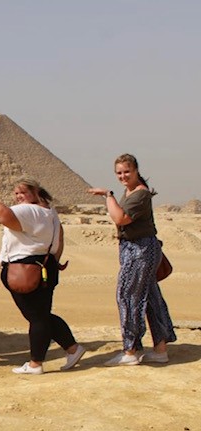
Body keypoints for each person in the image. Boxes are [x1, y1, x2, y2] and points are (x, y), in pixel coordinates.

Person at [0, 178, 85, 374]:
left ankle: (35, 364)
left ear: (36, 192)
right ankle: (73, 349)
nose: (18, 196)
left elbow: (3, 214)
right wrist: (53, 262)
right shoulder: (50, 212)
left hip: (26, 270)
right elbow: (60, 238)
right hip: (45, 268)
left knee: (37, 318)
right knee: (41, 314)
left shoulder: (29, 210)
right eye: (15, 193)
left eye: (22, 192)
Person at [88, 154, 176, 366]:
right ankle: (160, 349)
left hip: (139, 250)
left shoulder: (140, 194)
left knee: (127, 297)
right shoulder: (130, 192)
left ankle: (131, 350)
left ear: (136, 170)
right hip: (139, 248)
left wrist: (108, 195)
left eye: (127, 171)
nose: (123, 176)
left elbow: (120, 218)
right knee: (151, 298)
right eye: (119, 173)